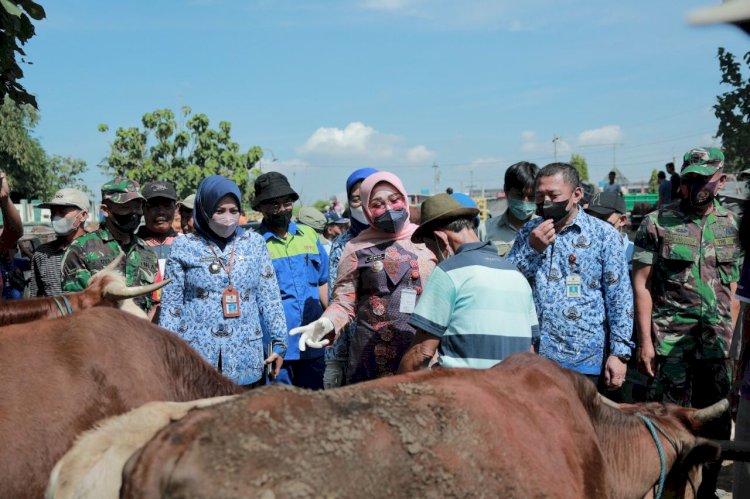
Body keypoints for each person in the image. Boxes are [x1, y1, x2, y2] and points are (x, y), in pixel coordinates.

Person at [632, 147, 742, 498]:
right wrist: (645, 342)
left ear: (721, 180)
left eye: (702, 179)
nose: (694, 186)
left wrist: (736, 348)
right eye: (689, 178)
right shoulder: (656, 223)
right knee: (670, 423)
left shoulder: (734, 226)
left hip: (719, 346)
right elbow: (642, 286)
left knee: (717, 427)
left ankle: (706, 490)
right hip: (670, 346)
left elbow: (739, 291)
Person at [291, 171, 437, 384]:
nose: (388, 208)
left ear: (404, 200)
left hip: (421, 354)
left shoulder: (428, 241)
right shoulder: (355, 248)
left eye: (394, 200)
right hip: (370, 358)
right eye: (377, 204)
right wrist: (327, 322)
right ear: (368, 210)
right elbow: (343, 301)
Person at [507, 162, 633, 390]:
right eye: (539, 196)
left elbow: (620, 296)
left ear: (576, 195)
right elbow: (509, 281)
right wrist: (532, 249)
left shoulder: (603, 235)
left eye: (553, 195)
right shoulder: (529, 232)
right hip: (534, 357)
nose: (545, 202)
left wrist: (620, 353)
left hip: (583, 360)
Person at [160, 176, 287, 386]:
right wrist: (168, 352)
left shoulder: (254, 243)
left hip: (246, 354)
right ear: (204, 209)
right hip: (195, 355)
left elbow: (270, 298)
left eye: (233, 211)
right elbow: (172, 306)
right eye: (220, 211)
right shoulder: (183, 246)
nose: (227, 217)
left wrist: (279, 344)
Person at [398, 194, 538, 373]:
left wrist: (396, 386)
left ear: (440, 238)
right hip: (513, 391)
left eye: (429, 246)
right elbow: (530, 351)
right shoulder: (515, 274)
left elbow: (421, 353)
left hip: (468, 393)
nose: (433, 255)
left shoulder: (449, 272)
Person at [254, 172, 329, 389]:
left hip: (313, 340)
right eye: (273, 204)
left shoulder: (309, 236)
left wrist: (332, 320)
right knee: (278, 406)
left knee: (314, 405)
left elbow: (322, 281)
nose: (281, 209)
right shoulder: (254, 243)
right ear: (260, 207)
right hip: (276, 346)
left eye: (286, 203)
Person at [61, 178, 158, 313]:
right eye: (125, 207)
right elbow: (74, 305)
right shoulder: (81, 249)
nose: (134, 213)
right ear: (105, 210)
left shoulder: (147, 252)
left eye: (138, 206)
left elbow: (153, 304)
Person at [323, 167, 379, 388]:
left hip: (402, 350)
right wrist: (334, 361)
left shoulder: (406, 240)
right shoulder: (343, 244)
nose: (364, 205)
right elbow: (337, 302)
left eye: (370, 197)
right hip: (359, 352)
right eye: (356, 199)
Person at [30, 188, 89, 296]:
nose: (56, 217)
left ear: (83, 215)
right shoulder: (42, 254)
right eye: (53, 212)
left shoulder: (100, 249)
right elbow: (36, 299)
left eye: (62, 212)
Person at [137, 181, 180, 315]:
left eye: (167, 206)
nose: (161, 212)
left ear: (176, 208)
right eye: (153, 206)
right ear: (142, 208)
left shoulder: (187, 245)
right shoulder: (130, 247)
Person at [483, 161, 539, 256]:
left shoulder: (546, 229)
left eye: (531, 197)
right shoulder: (485, 229)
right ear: (506, 190)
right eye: (519, 195)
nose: (525, 202)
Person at [585, 192, 634, 271]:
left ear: (622, 220)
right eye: (591, 219)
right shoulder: (583, 251)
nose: (595, 225)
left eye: (602, 219)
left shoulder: (635, 254)